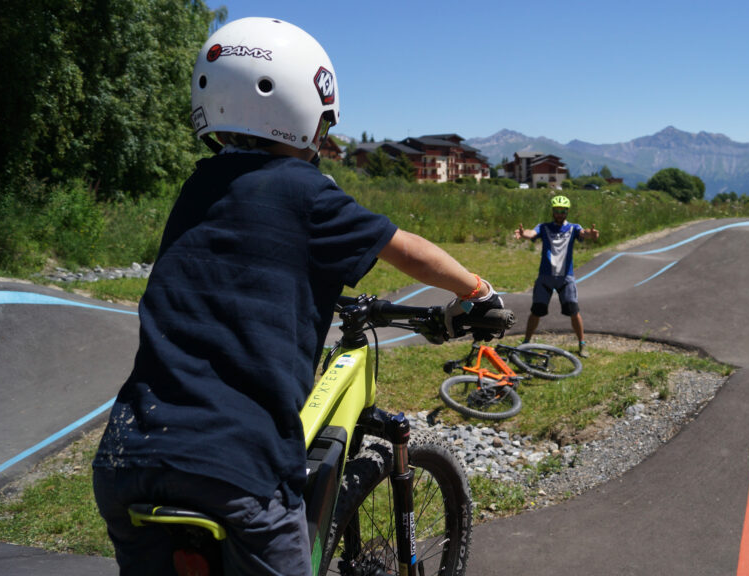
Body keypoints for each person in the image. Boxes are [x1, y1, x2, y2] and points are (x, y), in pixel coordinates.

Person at [91, 17, 503, 576]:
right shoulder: (308, 192)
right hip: (233, 464)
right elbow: (404, 249)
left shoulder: (196, 188)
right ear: (305, 116)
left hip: (127, 455)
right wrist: (477, 291)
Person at [514, 195, 599, 358]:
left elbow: (584, 233)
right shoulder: (544, 227)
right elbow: (532, 233)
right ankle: (526, 342)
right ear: (552, 211)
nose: (560, 214)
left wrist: (591, 234)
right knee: (536, 311)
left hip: (565, 278)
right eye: (557, 211)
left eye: (563, 211)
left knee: (574, 311)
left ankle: (582, 343)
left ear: (567, 212)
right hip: (545, 277)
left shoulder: (573, 228)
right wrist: (523, 233)